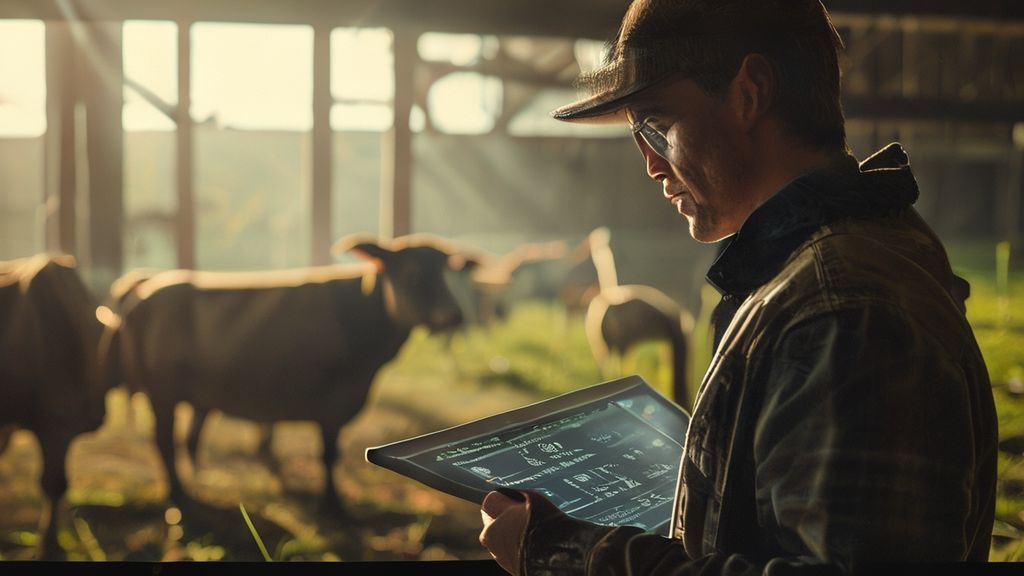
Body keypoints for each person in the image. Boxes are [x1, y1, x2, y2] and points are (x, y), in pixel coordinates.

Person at [478, 0, 999, 574]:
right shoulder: (829, 271)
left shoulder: (841, 311)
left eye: (658, 124)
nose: (650, 164)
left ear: (749, 93)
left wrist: (566, 554)